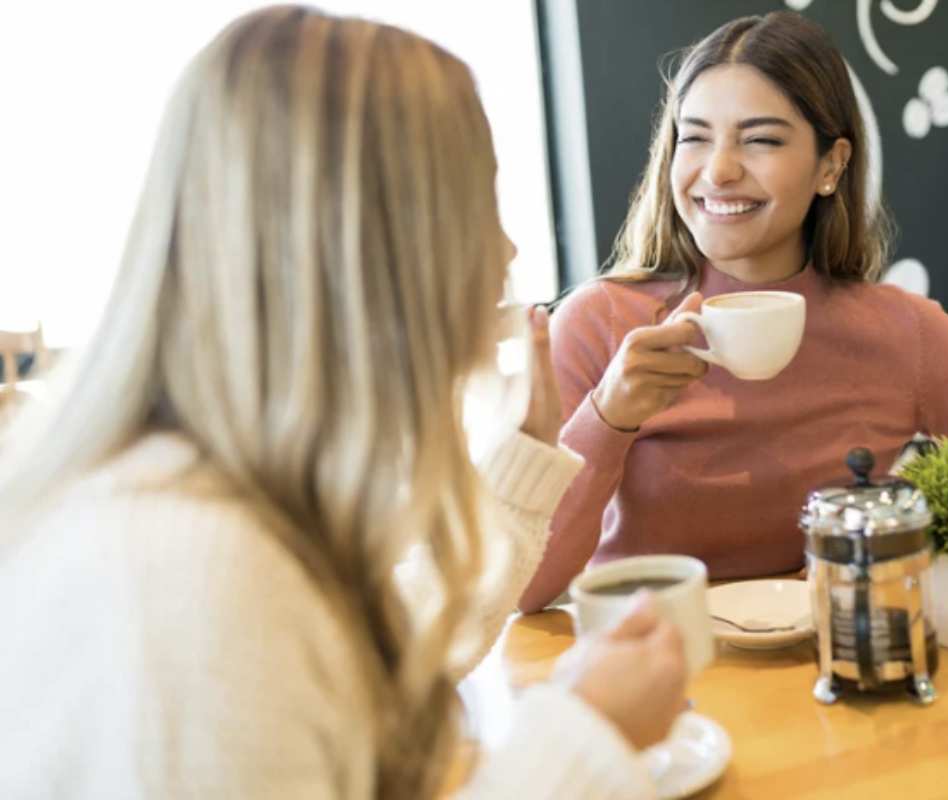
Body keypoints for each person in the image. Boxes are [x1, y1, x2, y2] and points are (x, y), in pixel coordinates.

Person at [0, 7, 684, 798]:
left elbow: (360, 656)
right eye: (478, 206)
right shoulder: (186, 572)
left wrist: (526, 464)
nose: (504, 251)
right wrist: (582, 741)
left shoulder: (217, 502)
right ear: (374, 245)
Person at [519, 11, 948, 611]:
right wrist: (610, 417)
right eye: (693, 137)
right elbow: (527, 587)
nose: (718, 170)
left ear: (831, 165)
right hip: (649, 672)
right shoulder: (600, 323)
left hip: (828, 666)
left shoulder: (900, 330)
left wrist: (894, 535)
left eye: (761, 139)